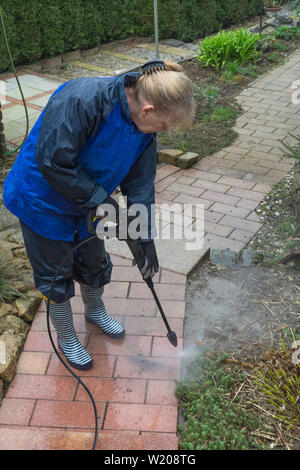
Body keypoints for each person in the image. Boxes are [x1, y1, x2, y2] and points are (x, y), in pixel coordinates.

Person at [3, 59, 195, 370]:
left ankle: (95, 310)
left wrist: (142, 237)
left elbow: (141, 185)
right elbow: (53, 162)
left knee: (93, 260)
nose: (165, 130)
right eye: (164, 124)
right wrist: (101, 200)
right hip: (42, 200)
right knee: (55, 274)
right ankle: (66, 336)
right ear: (147, 110)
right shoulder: (83, 99)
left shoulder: (143, 128)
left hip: (89, 203)